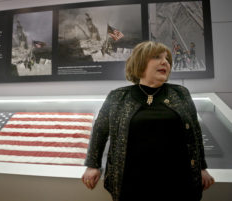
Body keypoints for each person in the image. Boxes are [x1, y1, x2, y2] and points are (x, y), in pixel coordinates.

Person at [82, 41, 214, 201]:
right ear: (140, 62)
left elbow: (195, 132)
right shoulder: (118, 96)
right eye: (157, 57)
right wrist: (93, 165)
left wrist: (201, 168)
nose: (165, 62)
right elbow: (100, 131)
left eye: (167, 59)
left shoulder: (180, 93)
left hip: (178, 182)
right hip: (131, 183)